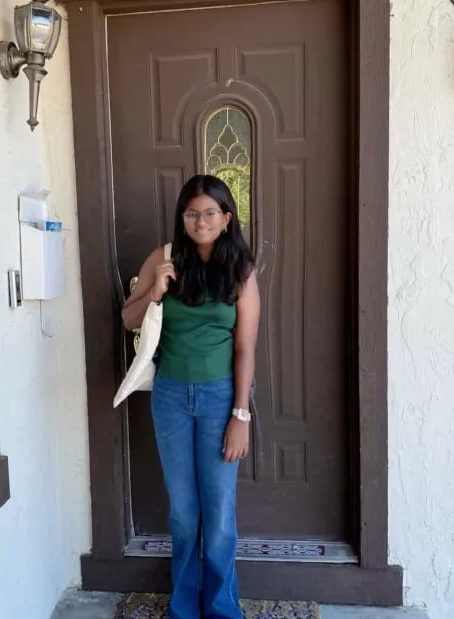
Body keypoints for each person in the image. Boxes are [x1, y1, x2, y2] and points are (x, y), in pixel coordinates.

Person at [122, 175, 260, 619]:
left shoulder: (240, 270)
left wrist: (241, 414)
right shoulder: (163, 258)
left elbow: (245, 348)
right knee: (183, 512)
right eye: (191, 213)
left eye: (210, 213)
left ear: (226, 218)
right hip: (171, 397)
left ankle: (221, 608)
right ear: (182, 218)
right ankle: (183, 608)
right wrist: (155, 292)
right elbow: (128, 319)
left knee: (218, 513)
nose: (201, 221)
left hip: (221, 399)